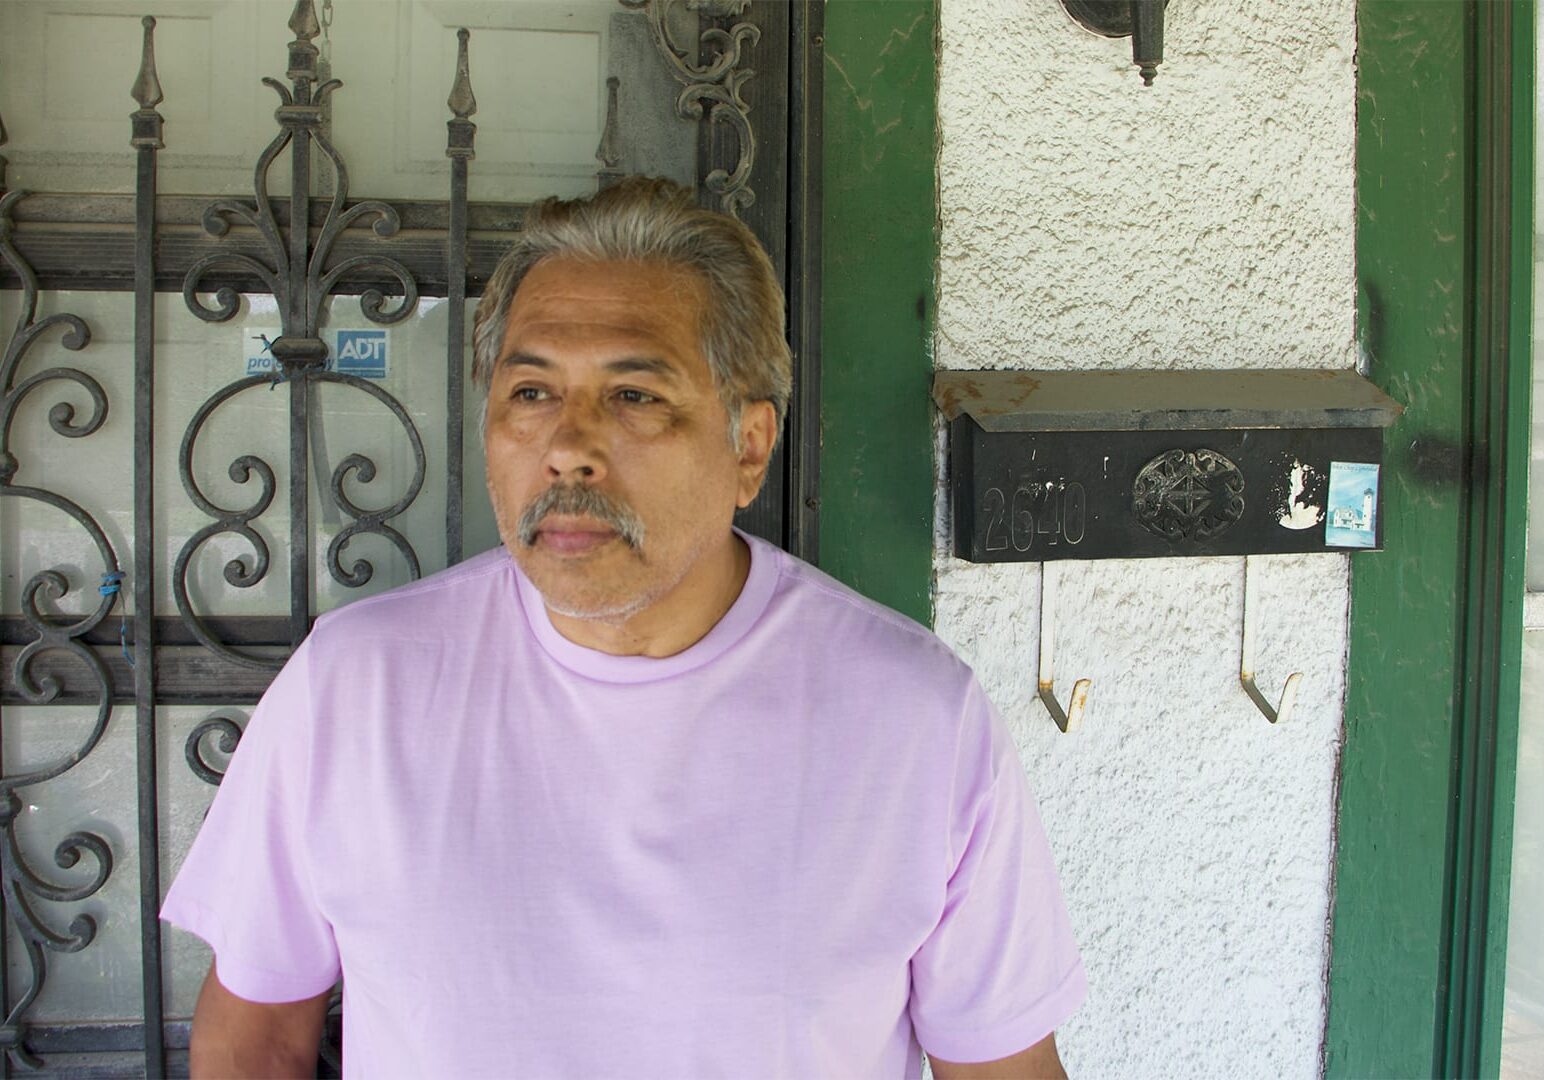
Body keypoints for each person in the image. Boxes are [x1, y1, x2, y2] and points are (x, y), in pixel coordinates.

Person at [162, 177, 1085, 1079]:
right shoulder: (355, 690)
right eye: (531, 393)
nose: (568, 445)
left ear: (749, 446)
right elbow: (253, 1038)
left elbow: (1001, 1062)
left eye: (635, 395)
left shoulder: (913, 719)